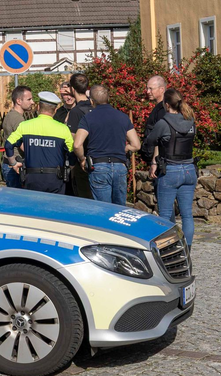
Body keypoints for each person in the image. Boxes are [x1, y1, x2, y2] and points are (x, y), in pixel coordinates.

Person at [73, 85, 141, 206]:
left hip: (98, 166)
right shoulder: (123, 117)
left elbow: (77, 144)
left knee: (103, 209)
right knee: (119, 209)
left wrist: (82, 159)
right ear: (108, 98)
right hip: (120, 166)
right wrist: (126, 148)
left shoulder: (88, 118)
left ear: (92, 101)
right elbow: (136, 145)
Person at [146, 89, 197, 248]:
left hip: (170, 170)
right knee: (187, 215)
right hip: (189, 169)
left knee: (165, 215)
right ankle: (187, 249)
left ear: (167, 105)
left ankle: (166, 249)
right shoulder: (191, 121)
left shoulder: (163, 123)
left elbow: (150, 141)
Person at [5, 92, 74, 194]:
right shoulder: (63, 129)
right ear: (55, 110)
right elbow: (72, 152)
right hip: (55, 178)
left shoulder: (25, 126)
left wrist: (13, 163)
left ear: (38, 107)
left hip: (31, 178)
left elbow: (8, 145)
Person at [66, 73, 94, 199]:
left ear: (72, 89)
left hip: (83, 161)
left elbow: (73, 140)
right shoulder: (95, 106)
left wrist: (76, 160)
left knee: (84, 197)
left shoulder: (76, 111)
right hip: (98, 158)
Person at [1, 86, 34, 188]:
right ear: (19, 101)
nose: (32, 102)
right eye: (29, 99)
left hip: (9, 164)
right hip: (16, 165)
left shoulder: (10, 115)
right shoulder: (17, 119)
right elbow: (23, 145)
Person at [140, 75, 167, 164]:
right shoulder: (159, 108)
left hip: (160, 160)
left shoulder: (163, 110)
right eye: (147, 88)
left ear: (161, 89)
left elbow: (160, 137)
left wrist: (155, 162)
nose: (148, 92)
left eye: (151, 89)